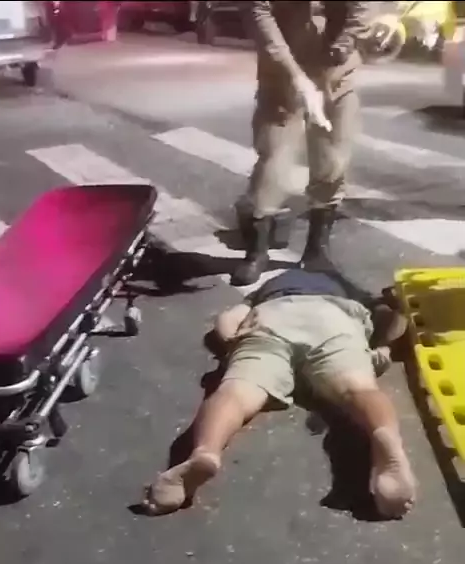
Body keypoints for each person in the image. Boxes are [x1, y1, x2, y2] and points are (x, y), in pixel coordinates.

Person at [144, 267, 416, 520]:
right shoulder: (346, 289)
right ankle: (386, 439)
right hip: (334, 317)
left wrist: (232, 344)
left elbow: (227, 319)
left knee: (237, 391)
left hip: (273, 316)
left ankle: (206, 452)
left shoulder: (265, 291)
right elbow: (393, 317)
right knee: (358, 389)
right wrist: (384, 347)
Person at [232, 0, 373, 288]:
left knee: (333, 160)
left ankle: (317, 251)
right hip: (282, 75)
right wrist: (296, 77)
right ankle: (257, 251)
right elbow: (259, 14)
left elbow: (363, 7)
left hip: (337, 76)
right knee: (274, 159)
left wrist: (344, 45)